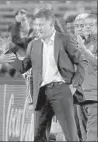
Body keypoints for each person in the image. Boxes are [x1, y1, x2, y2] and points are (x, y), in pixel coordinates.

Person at [8, 9, 88, 141]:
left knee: (71, 136)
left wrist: (74, 85)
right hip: (41, 93)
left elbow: (82, 62)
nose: (38, 28)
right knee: (38, 137)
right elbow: (23, 67)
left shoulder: (65, 40)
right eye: (36, 25)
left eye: (41, 25)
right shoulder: (33, 45)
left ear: (51, 24)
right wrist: (7, 54)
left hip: (62, 90)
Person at [77, 14, 97, 141]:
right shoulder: (82, 43)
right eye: (85, 25)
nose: (87, 28)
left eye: (91, 25)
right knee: (83, 135)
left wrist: (84, 50)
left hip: (95, 96)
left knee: (92, 134)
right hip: (82, 95)